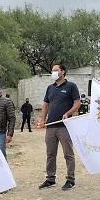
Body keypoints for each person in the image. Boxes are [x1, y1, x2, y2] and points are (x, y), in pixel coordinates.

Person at [36, 63, 81, 191]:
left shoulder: (71, 86)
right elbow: (45, 105)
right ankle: (50, 179)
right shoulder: (50, 88)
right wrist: (42, 120)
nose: (53, 72)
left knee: (68, 154)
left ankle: (70, 180)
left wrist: (68, 113)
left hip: (65, 127)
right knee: (50, 154)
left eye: (56, 70)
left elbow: (77, 103)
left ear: (63, 72)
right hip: (51, 126)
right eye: (52, 71)